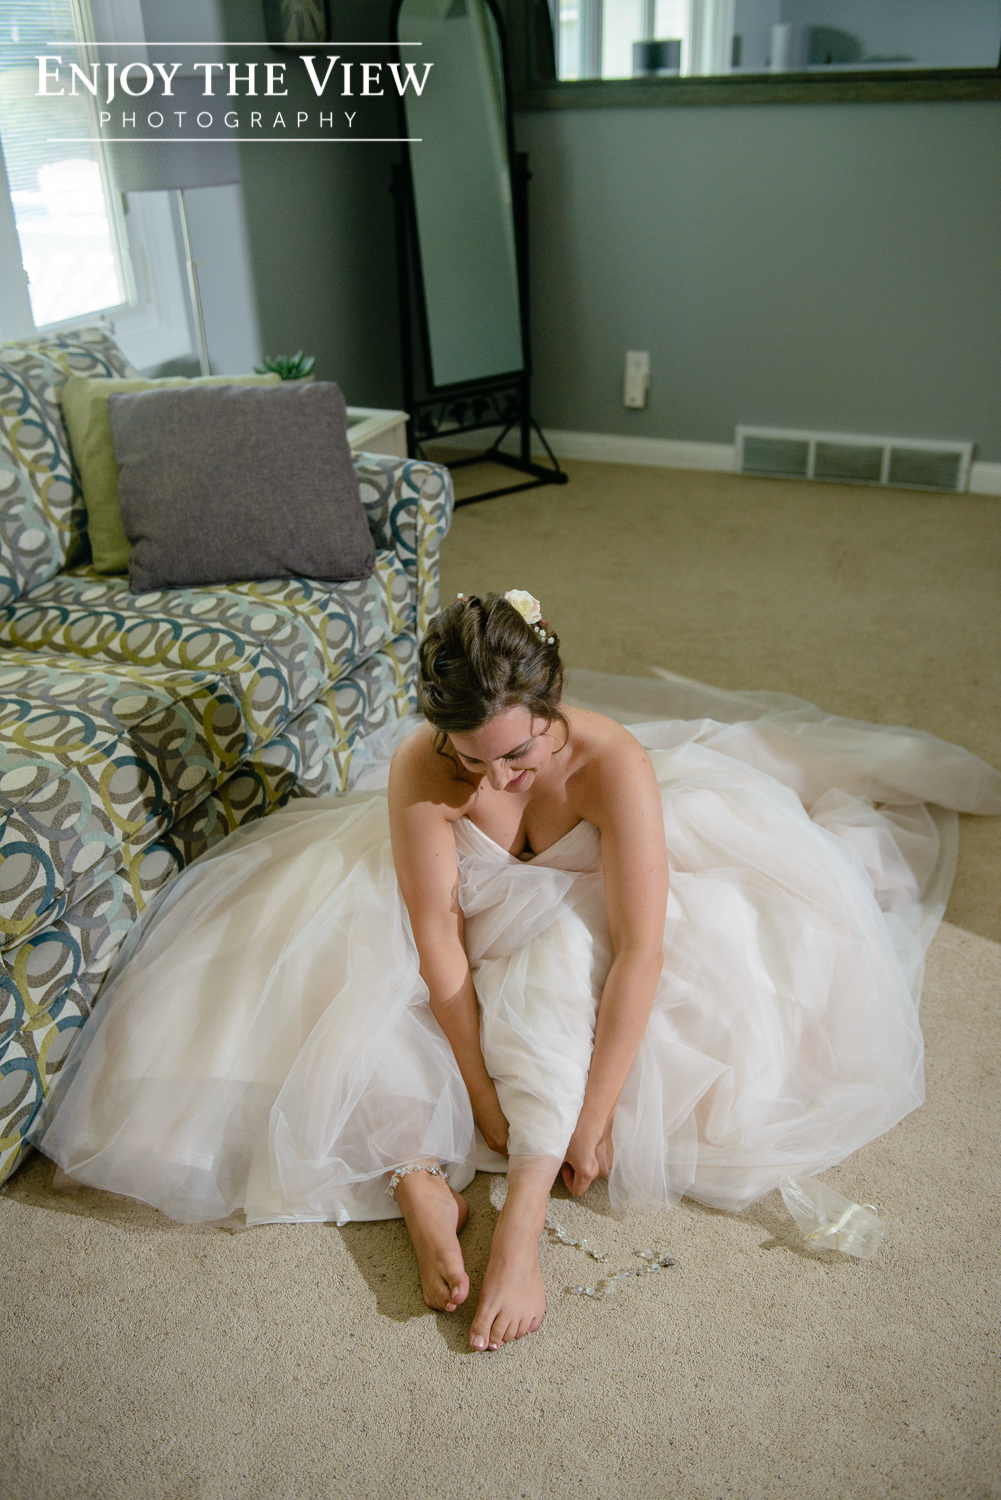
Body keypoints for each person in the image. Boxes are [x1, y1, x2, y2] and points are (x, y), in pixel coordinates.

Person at [34, 590, 1001, 1353]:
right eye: (471, 760)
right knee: (354, 978)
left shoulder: (612, 762)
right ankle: (419, 1178)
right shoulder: (426, 767)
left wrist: (591, 1116)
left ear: (550, 707)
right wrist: (475, 1088)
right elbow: (436, 934)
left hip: (580, 921)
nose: (494, 779)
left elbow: (641, 950)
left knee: (555, 973)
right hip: (467, 922)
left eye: (517, 754)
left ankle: (522, 1218)